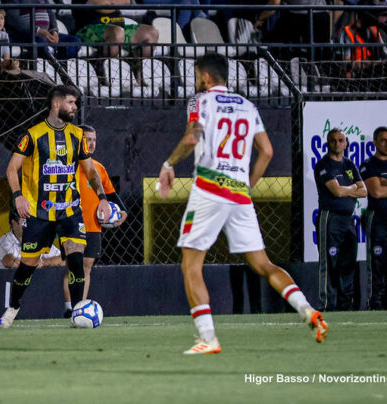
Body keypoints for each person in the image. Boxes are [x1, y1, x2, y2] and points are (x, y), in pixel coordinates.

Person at [157, 53, 328, 354]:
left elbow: (193, 137)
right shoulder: (248, 106)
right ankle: (307, 310)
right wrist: (247, 184)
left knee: (191, 265)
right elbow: (267, 151)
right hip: (238, 192)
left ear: (206, 77)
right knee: (264, 264)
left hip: (209, 187)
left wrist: (168, 164)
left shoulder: (200, 101)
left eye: (197, 75)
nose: (197, 81)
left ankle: (208, 339)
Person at [0, 84, 111, 328]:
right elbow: (11, 168)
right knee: (27, 267)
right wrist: (18, 196)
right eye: (71, 103)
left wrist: (102, 197)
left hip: (70, 210)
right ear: (56, 104)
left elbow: (89, 170)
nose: (75, 107)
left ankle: (78, 313)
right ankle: (14, 307)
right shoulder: (32, 135)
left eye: (76, 103)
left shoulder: (77, 135)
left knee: (76, 259)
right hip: (39, 213)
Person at [61, 125, 128, 318]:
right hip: (71, 223)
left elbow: (111, 195)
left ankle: (80, 307)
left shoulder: (98, 168)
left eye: (93, 140)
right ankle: (69, 308)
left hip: (94, 225)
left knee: (87, 264)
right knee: (74, 264)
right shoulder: (68, 166)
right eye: (87, 139)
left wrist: (122, 211)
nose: (90, 143)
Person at [314, 129, 367, 311]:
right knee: (329, 262)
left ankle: (346, 305)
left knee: (348, 262)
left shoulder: (349, 166)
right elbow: (336, 192)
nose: (337, 144)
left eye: (340, 140)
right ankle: (327, 303)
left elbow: (364, 191)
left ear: (346, 143)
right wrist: (352, 188)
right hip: (330, 218)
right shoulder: (323, 165)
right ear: (328, 143)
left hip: (348, 220)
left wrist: (347, 188)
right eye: (333, 140)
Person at [360, 126, 387, 310]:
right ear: (375, 143)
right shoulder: (369, 165)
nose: (386, 143)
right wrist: (381, 185)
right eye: (383, 140)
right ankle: (374, 301)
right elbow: (376, 191)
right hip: (378, 219)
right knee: (377, 261)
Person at [72, 0, 159, 58]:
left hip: (119, 26)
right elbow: (102, 5)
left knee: (151, 33)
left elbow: (126, 2)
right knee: (117, 33)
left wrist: (112, 2)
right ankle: (104, 71)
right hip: (89, 28)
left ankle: (137, 69)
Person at [3, 0, 81, 60]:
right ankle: (53, 68)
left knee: (74, 41)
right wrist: (38, 30)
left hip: (46, 34)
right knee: (39, 41)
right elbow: (13, 19)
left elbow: (51, 14)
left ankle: (61, 69)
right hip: (24, 34)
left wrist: (54, 31)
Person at [0, 210, 64, 269]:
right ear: (14, 222)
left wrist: (43, 262)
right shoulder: (6, 240)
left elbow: (63, 260)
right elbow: (10, 262)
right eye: (25, 221)